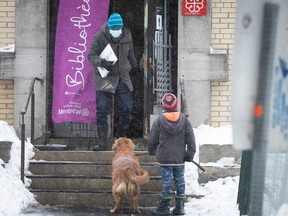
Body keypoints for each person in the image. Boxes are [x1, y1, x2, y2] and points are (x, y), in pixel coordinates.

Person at [88, 13, 137, 151]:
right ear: (109, 28)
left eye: (118, 29)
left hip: (122, 76)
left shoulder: (127, 36)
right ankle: (102, 142)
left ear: (122, 28)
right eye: (114, 29)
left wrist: (135, 67)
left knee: (127, 108)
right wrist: (102, 62)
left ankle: (120, 137)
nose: (117, 32)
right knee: (102, 110)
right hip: (105, 77)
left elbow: (130, 54)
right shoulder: (99, 37)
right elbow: (91, 56)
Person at [148, 93, 196, 215]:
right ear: (175, 104)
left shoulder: (159, 120)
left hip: (164, 158)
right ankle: (180, 207)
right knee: (180, 180)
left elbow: (153, 138)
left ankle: (164, 207)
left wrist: (151, 150)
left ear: (164, 104)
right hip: (179, 158)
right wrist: (189, 154)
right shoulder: (184, 120)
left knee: (167, 181)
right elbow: (191, 138)